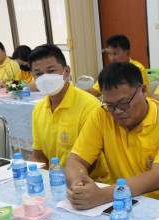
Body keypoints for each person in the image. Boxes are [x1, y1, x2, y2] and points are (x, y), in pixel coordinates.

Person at [65, 62, 159, 210]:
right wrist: (78, 187)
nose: (117, 112)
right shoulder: (102, 115)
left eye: (123, 103)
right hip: (127, 198)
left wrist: (101, 195)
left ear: (143, 90)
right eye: (110, 105)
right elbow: (76, 160)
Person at [29, 44, 109, 182]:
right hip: (55, 184)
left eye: (51, 71)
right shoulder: (39, 109)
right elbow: (39, 156)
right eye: (39, 74)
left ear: (66, 72)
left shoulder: (89, 106)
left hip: (90, 183)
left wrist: (66, 182)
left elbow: (90, 161)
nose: (45, 78)